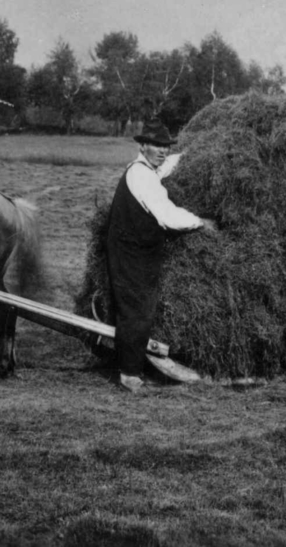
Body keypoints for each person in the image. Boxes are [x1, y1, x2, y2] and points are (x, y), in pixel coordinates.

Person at [105, 120, 215, 393]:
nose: (162, 151)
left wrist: (193, 151)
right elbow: (167, 216)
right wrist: (200, 222)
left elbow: (166, 165)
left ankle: (132, 367)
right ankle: (129, 375)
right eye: (156, 145)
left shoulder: (148, 169)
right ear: (142, 146)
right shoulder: (141, 176)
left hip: (139, 250)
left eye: (166, 146)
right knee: (137, 309)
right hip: (130, 253)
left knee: (141, 307)